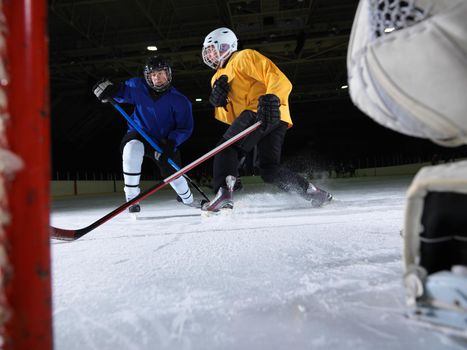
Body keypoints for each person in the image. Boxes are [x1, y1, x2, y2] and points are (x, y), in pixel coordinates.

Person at [200, 27, 333, 212]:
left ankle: (223, 193)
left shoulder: (243, 57)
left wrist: (272, 97)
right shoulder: (216, 78)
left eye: (214, 49)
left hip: (263, 111)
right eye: (208, 51)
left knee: (225, 148)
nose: (211, 54)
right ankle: (312, 192)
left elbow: (278, 78)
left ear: (227, 46)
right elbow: (232, 118)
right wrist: (220, 103)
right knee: (269, 170)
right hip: (273, 119)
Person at [93, 55, 200, 213]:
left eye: (161, 73)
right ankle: (131, 198)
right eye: (153, 75)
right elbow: (122, 92)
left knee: (172, 172)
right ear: (148, 77)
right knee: (131, 149)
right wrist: (110, 90)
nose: (158, 78)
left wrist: (171, 144)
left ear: (168, 74)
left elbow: (185, 128)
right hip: (140, 133)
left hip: (164, 142)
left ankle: (187, 198)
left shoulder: (180, 101)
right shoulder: (137, 86)